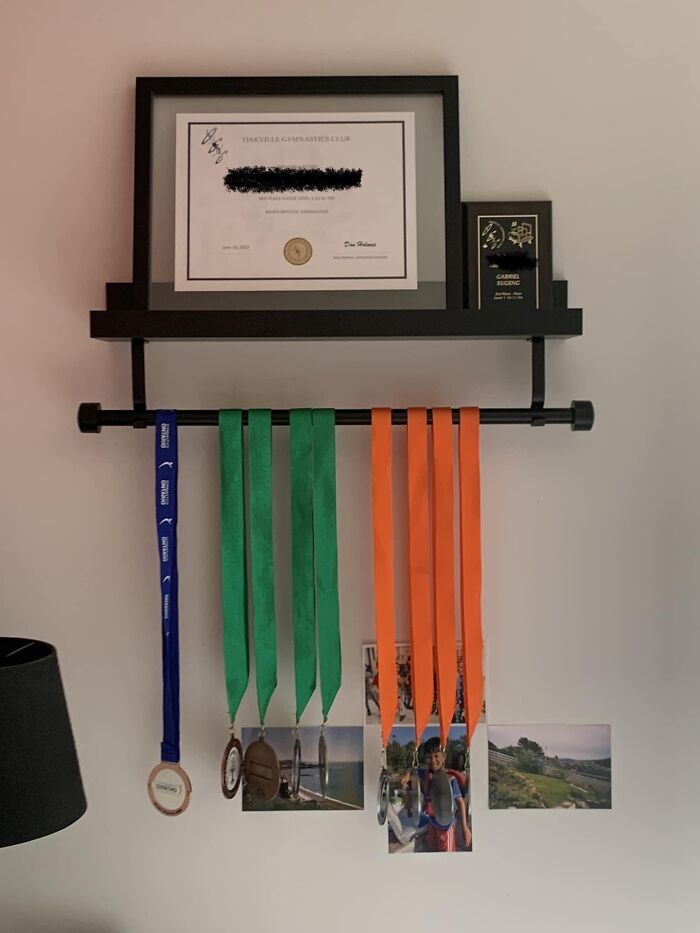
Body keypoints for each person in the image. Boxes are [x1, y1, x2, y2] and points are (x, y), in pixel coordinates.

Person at [417, 737, 471, 852]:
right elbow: (414, 770)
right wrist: (408, 774)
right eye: (429, 757)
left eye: (436, 756)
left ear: (444, 756)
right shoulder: (426, 774)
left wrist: (465, 827)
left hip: (446, 828)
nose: (433, 760)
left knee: (447, 856)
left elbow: (460, 802)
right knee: (432, 850)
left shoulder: (450, 779)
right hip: (432, 823)